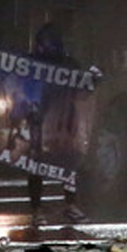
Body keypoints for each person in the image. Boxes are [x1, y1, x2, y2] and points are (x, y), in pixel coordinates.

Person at [24, 23, 88, 224]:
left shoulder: (69, 65)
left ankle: (68, 205)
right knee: (37, 164)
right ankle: (38, 209)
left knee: (68, 162)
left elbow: (83, 92)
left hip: (63, 121)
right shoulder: (31, 64)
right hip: (40, 119)